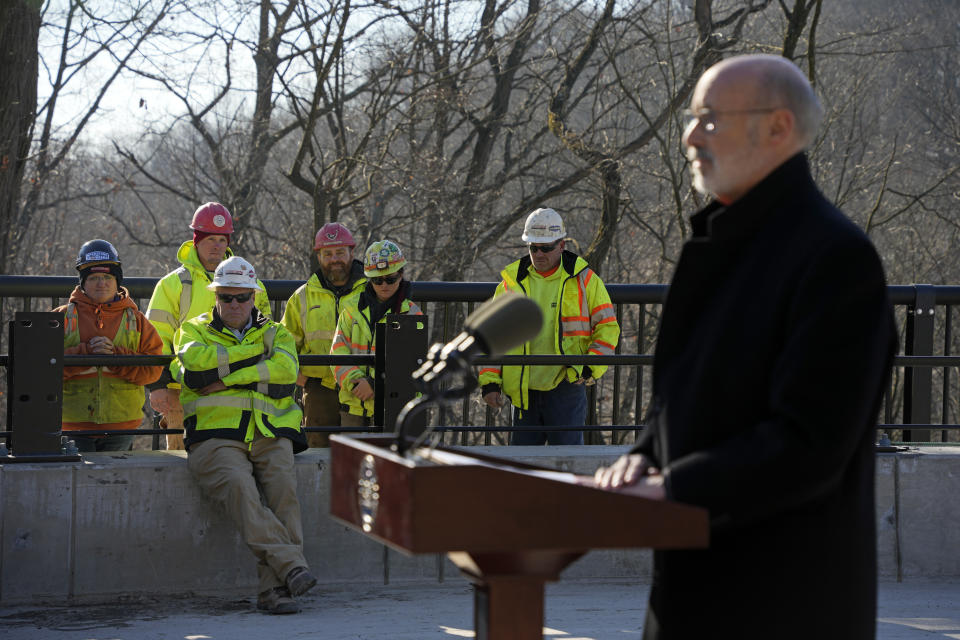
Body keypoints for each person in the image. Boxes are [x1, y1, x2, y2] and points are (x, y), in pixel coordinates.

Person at [593, 54, 897, 639]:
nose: (688, 136)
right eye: (693, 118)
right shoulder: (718, 240)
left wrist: (673, 487)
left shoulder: (835, 258)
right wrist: (646, 454)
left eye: (709, 120)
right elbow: (685, 392)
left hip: (782, 602)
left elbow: (809, 441)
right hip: (691, 590)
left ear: (778, 127)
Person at [170, 255, 315, 615]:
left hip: (271, 432)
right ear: (215, 296)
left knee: (284, 492)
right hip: (214, 436)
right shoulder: (193, 330)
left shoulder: (277, 333)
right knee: (240, 487)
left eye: (242, 298)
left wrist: (227, 375)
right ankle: (291, 566)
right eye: (227, 298)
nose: (234, 305)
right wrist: (253, 356)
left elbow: (284, 374)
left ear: (254, 297)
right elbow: (197, 367)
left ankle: (274, 591)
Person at [478, 207, 619, 445]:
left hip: (566, 387)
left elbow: (607, 328)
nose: (539, 254)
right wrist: (490, 382)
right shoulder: (511, 283)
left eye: (546, 248)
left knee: (567, 465)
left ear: (562, 246)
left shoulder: (585, 279)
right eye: (533, 247)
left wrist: (588, 369)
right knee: (523, 471)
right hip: (524, 391)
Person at [146, 202, 271, 449]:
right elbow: (155, 338)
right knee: (182, 464)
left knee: (233, 458)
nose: (217, 245)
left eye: (222, 240)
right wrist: (158, 385)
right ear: (196, 240)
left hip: (237, 387)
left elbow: (265, 335)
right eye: (210, 238)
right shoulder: (172, 285)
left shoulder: (250, 285)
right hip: (182, 390)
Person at [57, 240, 164, 452]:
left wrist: (115, 357)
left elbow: (153, 371)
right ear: (83, 283)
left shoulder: (138, 321)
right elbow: (42, 369)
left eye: (107, 277)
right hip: (72, 425)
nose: (101, 283)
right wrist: (85, 353)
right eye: (94, 278)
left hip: (123, 426)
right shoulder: (61, 318)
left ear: (117, 281)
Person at [281, 222, 366, 447]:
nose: (334, 258)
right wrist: (300, 377)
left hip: (361, 386)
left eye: (340, 252)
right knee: (317, 452)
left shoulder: (370, 291)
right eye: (327, 253)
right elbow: (284, 342)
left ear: (352, 252)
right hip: (318, 389)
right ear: (318, 256)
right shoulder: (302, 296)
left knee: (357, 456)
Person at [331, 240, 422, 427]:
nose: (383, 285)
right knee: (352, 457)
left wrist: (374, 384)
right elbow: (337, 353)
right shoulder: (350, 310)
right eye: (376, 280)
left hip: (394, 409)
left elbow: (411, 364)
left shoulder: (413, 315)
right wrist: (356, 384)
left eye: (390, 279)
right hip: (353, 406)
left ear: (401, 275)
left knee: (388, 457)